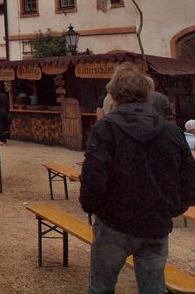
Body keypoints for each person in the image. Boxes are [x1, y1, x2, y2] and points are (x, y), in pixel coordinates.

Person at [80, 63, 195, 294]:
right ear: (148, 94)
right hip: (156, 224)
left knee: (101, 287)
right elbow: (189, 180)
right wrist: (172, 209)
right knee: (153, 288)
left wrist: (93, 208)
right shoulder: (171, 132)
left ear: (113, 94)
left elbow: (93, 178)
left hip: (114, 222)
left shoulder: (106, 129)